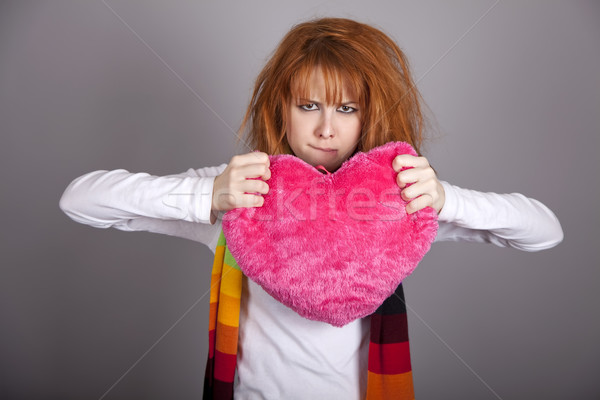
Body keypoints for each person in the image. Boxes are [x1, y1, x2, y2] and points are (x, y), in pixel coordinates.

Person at [59, 18, 563, 400]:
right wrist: (209, 196)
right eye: (309, 105)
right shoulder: (242, 194)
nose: (326, 129)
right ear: (281, 107)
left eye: (347, 109)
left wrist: (446, 199)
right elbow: (81, 200)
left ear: (372, 113)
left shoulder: (401, 200)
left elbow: (544, 231)